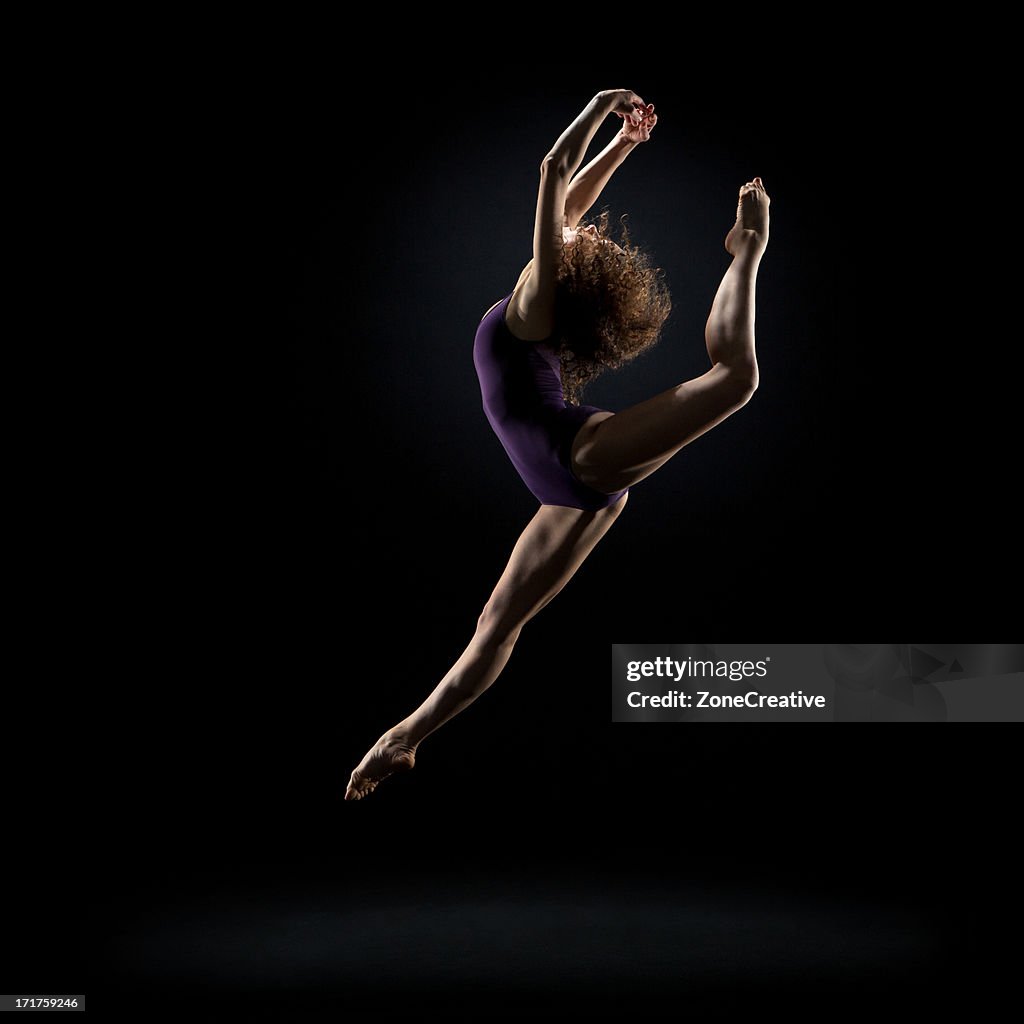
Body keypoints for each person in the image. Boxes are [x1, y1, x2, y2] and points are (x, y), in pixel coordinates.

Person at [346, 90, 769, 800]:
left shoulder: (536, 302)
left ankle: (747, 250)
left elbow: (551, 173)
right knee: (496, 622)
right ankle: (405, 737)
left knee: (736, 379)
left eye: (587, 241)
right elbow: (569, 204)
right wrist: (627, 144)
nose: (585, 227)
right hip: (573, 473)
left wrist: (602, 104)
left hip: (579, 458)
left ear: (569, 273)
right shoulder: (542, 294)